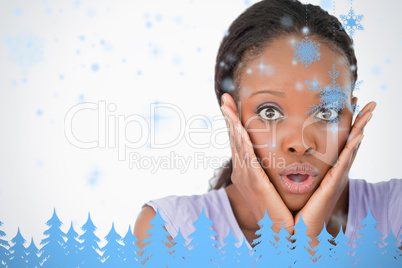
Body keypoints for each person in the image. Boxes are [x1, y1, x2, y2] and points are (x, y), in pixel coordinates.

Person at [134, 0, 402, 262]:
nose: (300, 143)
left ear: (353, 117)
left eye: (327, 112)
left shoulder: (395, 214)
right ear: (232, 116)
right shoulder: (169, 232)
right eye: (269, 112)